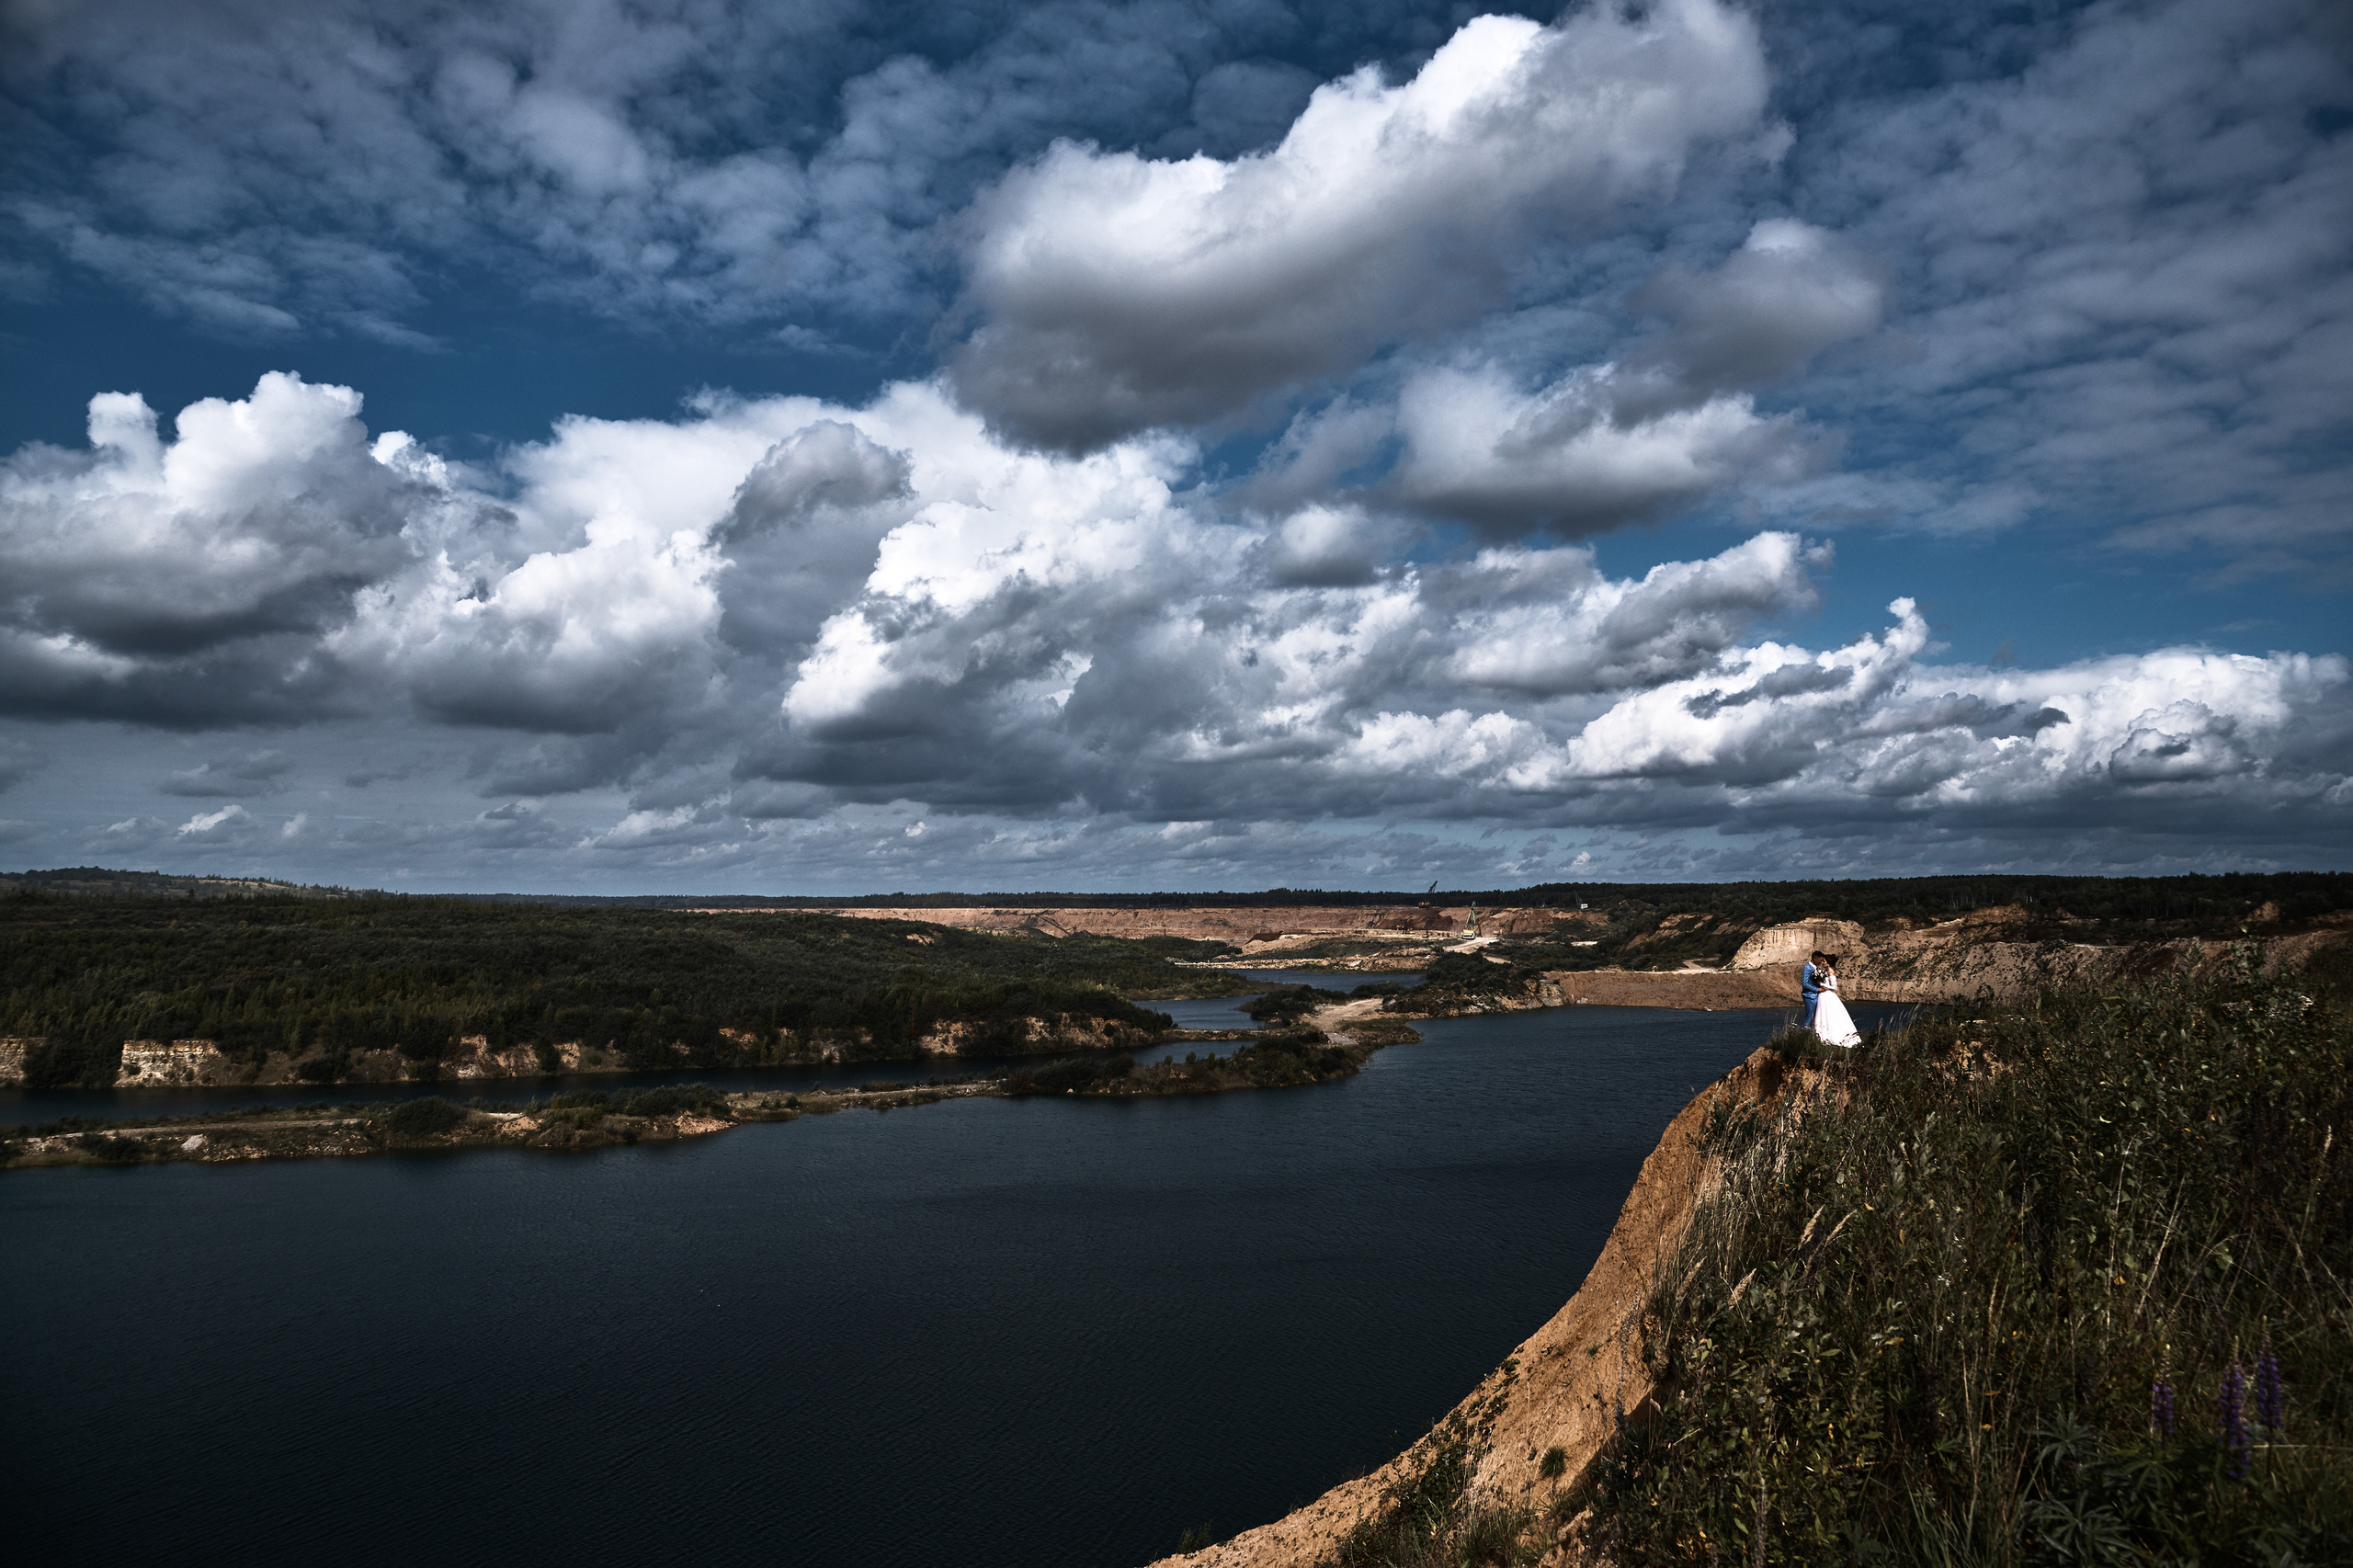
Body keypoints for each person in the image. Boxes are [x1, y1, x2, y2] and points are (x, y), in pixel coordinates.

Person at [1812, 955, 1863, 1049]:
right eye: (1822, 961)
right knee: (1822, 1014)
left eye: (1824, 961)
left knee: (1830, 1015)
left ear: (1828, 963)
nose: (1822, 963)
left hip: (1828, 996)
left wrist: (1821, 984)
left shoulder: (1831, 971)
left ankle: (1830, 1037)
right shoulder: (1825, 972)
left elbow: (1834, 987)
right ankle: (1821, 1036)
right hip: (1823, 996)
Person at [1801, 950, 1824, 1031]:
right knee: (1810, 1017)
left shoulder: (1816, 968)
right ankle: (1805, 1034)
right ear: (1815, 959)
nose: (1821, 962)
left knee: (1816, 1017)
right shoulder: (1807, 968)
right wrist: (1817, 989)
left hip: (1815, 996)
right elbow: (1805, 983)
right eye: (1820, 960)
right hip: (1809, 996)